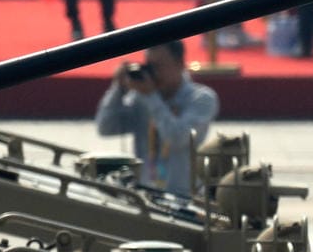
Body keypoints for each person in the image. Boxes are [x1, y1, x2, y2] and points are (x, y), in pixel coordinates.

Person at [93, 40, 219, 197]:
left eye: (159, 66)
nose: (153, 73)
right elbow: (105, 127)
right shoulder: (142, 98)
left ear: (179, 64)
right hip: (144, 194)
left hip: (183, 196)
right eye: (149, 66)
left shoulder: (201, 98)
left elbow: (177, 138)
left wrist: (151, 97)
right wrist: (117, 89)